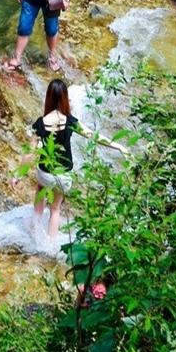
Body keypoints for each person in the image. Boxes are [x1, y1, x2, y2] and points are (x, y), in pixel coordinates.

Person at [26, 79, 126, 239]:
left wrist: (16, 175)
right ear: (65, 98)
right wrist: (119, 146)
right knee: (55, 210)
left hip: (45, 174)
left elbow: (30, 152)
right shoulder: (70, 121)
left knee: (41, 191)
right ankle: (50, 246)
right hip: (64, 175)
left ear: (49, 98)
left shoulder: (40, 123)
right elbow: (94, 136)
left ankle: (33, 233)